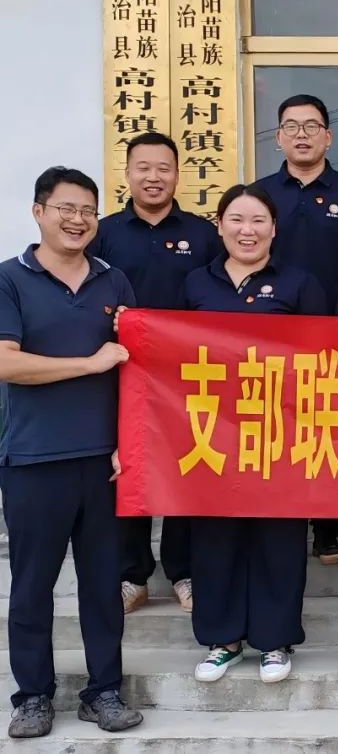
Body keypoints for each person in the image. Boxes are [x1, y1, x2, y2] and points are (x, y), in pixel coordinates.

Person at [0, 167, 143, 738]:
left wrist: (130, 442)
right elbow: (7, 363)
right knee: (32, 586)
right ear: (39, 212)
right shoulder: (10, 278)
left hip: (103, 461)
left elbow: (136, 369)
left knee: (103, 585)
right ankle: (33, 696)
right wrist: (87, 364)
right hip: (34, 458)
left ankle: (103, 691)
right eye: (66, 208)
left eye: (88, 210)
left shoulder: (114, 282)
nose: (78, 219)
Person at [181, 184, 325, 685]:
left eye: (259, 220)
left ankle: (275, 639)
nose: (248, 230)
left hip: (280, 431)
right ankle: (222, 640)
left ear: (274, 229)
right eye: (237, 220)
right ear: (219, 226)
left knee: (278, 536)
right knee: (215, 537)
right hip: (211, 431)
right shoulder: (194, 283)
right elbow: (169, 352)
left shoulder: (299, 283)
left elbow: (323, 355)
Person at [89, 131, 221, 615]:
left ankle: (184, 570)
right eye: (143, 167)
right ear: (126, 173)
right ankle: (132, 574)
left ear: (177, 175)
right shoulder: (104, 233)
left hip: (187, 374)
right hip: (120, 371)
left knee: (186, 466)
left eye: (163, 168)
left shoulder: (203, 235)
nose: (153, 177)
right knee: (128, 468)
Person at [254, 93, 338, 566]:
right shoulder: (259, 195)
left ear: (329, 136)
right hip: (272, 333)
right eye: (292, 126)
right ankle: (279, 518)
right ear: (278, 138)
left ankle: (328, 530)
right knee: (277, 428)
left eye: (312, 126)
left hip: (335, 330)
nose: (302, 135)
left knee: (329, 429)